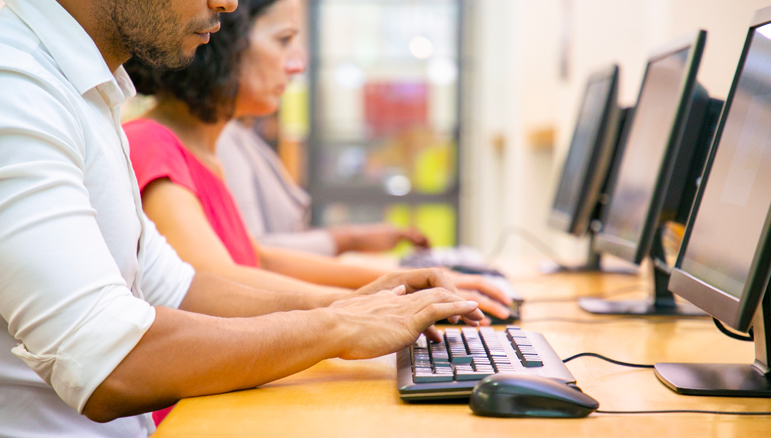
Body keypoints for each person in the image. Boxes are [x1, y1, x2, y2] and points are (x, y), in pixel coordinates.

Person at [0, 0, 484, 436]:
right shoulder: (16, 86)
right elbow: (107, 362)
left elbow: (182, 289)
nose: (227, 3)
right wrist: (337, 326)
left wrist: (353, 304)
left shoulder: (87, 94)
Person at [123, 0, 513, 318]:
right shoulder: (150, 143)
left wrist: (399, 282)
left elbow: (259, 260)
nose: (297, 65)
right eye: (283, 40)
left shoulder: (203, 152)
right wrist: (364, 303)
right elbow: (213, 281)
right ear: (220, 40)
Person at [218, 116, 430, 256]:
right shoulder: (224, 140)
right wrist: (351, 240)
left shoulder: (242, 136)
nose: (296, 66)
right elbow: (256, 252)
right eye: (282, 44)